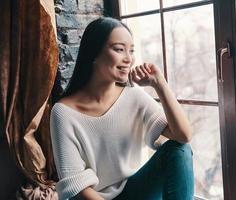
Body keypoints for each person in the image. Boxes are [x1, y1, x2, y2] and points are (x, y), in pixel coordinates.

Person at [50, 16, 194, 200]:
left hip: (137, 191)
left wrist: (160, 84)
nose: (129, 59)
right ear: (93, 53)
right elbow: (77, 188)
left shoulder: (134, 97)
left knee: (178, 150)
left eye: (131, 51)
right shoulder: (63, 113)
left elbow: (184, 136)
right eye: (119, 49)